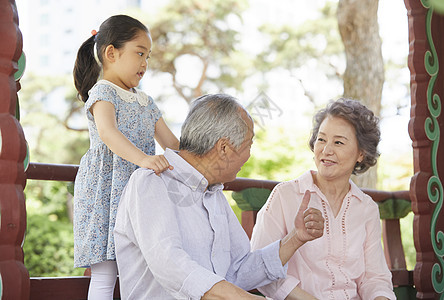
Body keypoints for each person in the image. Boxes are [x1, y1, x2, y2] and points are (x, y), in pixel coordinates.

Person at [114, 94, 325, 299]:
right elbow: (170, 264)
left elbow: (239, 270)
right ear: (223, 148)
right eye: (248, 145)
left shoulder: (213, 195)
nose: (249, 155)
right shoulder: (151, 182)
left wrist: (295, 238)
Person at [72, 15, 179, 299]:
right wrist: (144, 159)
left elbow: (172, 145)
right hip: (105, 192)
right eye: (139, 53)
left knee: (148, 266)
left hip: (140, 192)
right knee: (106, 273)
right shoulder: (103, 92)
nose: (145, 63)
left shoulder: (145, 101)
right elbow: (108, 133)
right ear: (111, 53)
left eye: (148, 56)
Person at [250, 98, 396, 300]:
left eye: (338, 142)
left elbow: (375, 278)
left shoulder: (366, 208)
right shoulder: (285, 196)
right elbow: (261, 271)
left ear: (361, 153)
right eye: (321, 139)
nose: (326, 150)